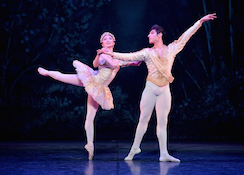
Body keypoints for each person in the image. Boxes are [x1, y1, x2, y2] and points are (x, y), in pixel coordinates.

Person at [100, 13, 217, 162]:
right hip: (151, 87)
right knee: (143, 119)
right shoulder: (147, 52)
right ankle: (134, 149)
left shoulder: (172, 49)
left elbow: (186, 36)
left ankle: (164, 154)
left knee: (163, 122)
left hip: (164, 90)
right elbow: (128, 57)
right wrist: (110, 53)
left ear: (159, 35)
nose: (148, 35)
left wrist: (200, 21)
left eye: (151, 33)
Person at [37, 32, 141, 160]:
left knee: (90, 117)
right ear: (102, 44)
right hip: (93, 80)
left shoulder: (116, 58)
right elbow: (97, 64)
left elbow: (134, 63)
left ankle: (90, 145)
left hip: (99, 88)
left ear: (114, 42)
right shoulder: (104, 55)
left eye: (110, 39)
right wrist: (105, 56)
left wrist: (142, 58)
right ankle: (47, 72)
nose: (107, 40)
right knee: (63, 77)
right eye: (104, 39)